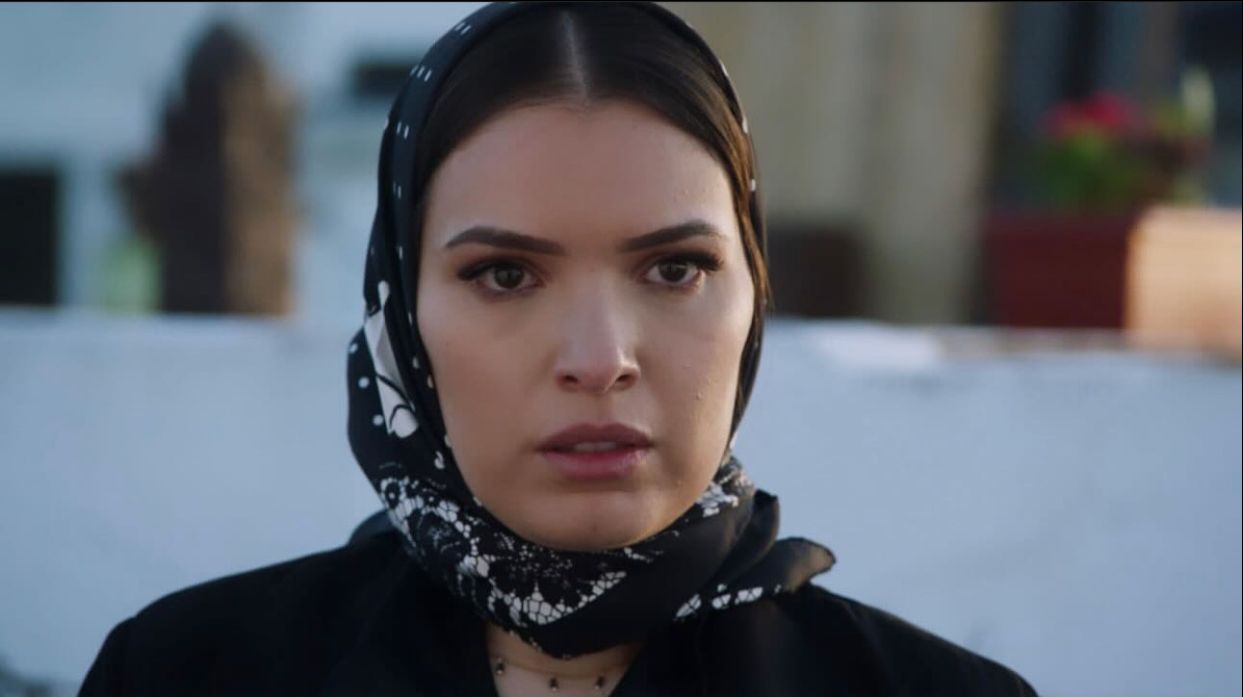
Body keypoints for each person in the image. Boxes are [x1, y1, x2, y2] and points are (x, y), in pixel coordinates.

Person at [79, 3, 1039, 696]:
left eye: (674, 268)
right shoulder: (182, 670)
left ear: (753, 295)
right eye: (504, 274)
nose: (599, 357)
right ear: (401, 319)